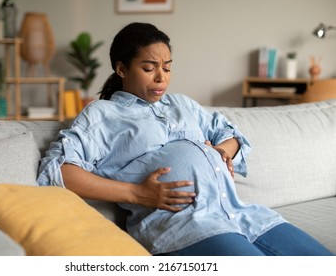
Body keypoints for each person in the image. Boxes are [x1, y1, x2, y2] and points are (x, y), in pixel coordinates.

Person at [37, 22, 333, 256]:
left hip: (241, 214)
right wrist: (137, 193)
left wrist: (221, 152)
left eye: (167, 67)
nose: (161, 77)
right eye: (149, 68)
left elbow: (230, 134)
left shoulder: (181, 105)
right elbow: (59, 172)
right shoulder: (103, 114)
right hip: (181, 227)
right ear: (122, 68)